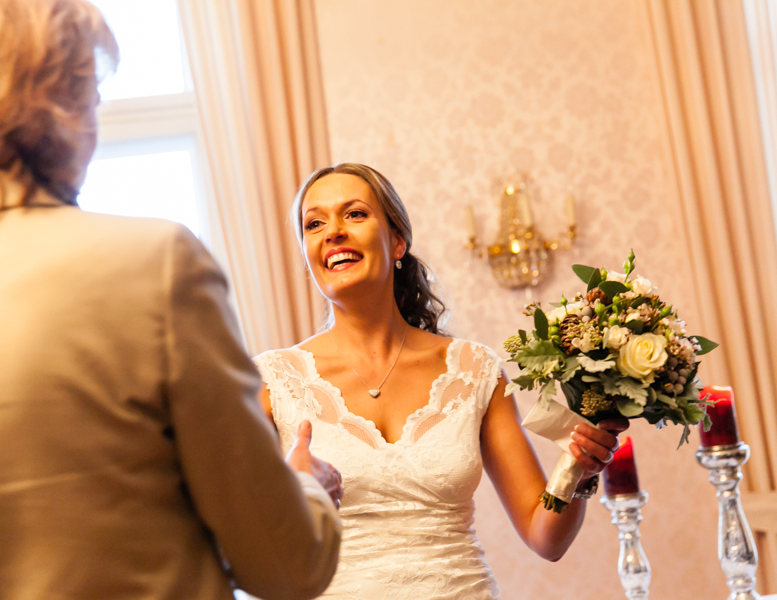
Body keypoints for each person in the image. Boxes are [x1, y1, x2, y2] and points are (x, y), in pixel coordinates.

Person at [0, 1, 342, 599]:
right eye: (93, 95)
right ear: (59, 105)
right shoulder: (157, 267)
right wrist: (304, 486)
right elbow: (285, 564)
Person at [254, 163, 628, 599]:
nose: (332, 231)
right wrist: (292, 491)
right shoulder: (270, 382)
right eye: (314, 223)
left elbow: (545, 537)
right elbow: (245, 552)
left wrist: (578, 470)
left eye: (354, 214)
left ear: (398, 241)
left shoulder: (475, 369)